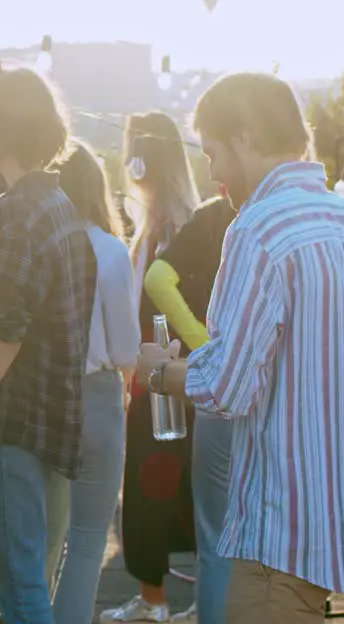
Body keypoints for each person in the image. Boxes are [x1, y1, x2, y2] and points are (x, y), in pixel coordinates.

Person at [135, 72, 344, 624]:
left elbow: (225, 387)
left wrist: (161, 372)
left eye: (214, 153)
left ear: (245, 137)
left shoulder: (258, 229)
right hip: (337, 522)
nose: (214, 174)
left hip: (277, 535)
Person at [0, 48, 96, 623]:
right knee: (32, 578)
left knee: (19, 583)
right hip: (55, 419)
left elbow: (6, 333)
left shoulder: (16, 210)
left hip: (15, 421)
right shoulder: (59, 204)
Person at [104, 113, 201, 624]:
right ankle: (165, 600)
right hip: (167, 381)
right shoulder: (168, 227)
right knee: (178, 491)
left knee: (155, 490)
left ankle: (155, 601)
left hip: (164, 383)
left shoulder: (171, 233)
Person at [44, 142, 139, 623]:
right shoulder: (109, 249)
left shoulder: (42, 245)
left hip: (43, 397)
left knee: (44, 538)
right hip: (98, 397)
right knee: (85, 541)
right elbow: (125, 350)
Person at [142, 188, 237, 624]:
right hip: (283, 400)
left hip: (220, 396)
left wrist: (203, 349)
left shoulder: (217, 215)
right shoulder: (318, 216)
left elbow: (157, 278)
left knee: (216, 542)